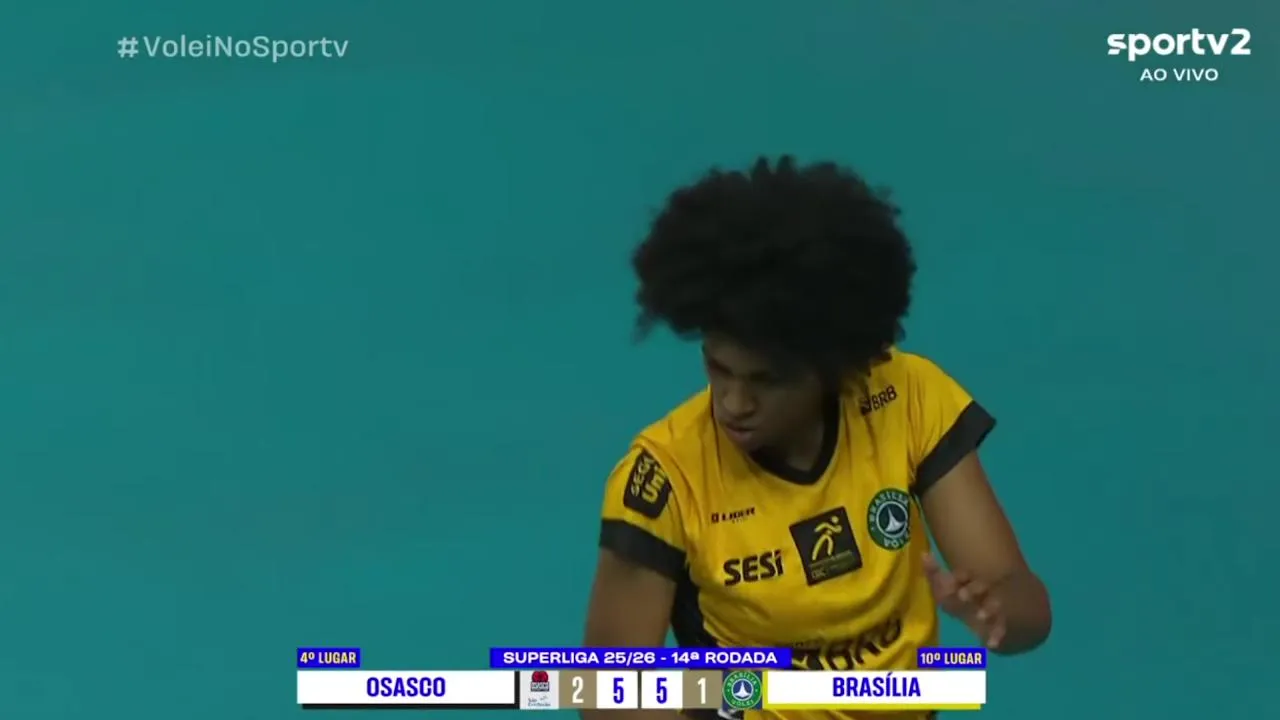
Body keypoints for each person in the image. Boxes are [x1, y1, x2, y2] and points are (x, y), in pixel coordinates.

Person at [582, 156, 1052, 720]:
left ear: (835, 366)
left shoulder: (909, 399)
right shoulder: (664, 478)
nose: (733, 403)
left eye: (767, 381)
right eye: (718, 368)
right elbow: (605, 695)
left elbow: (1024, 606)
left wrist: (999, 613)